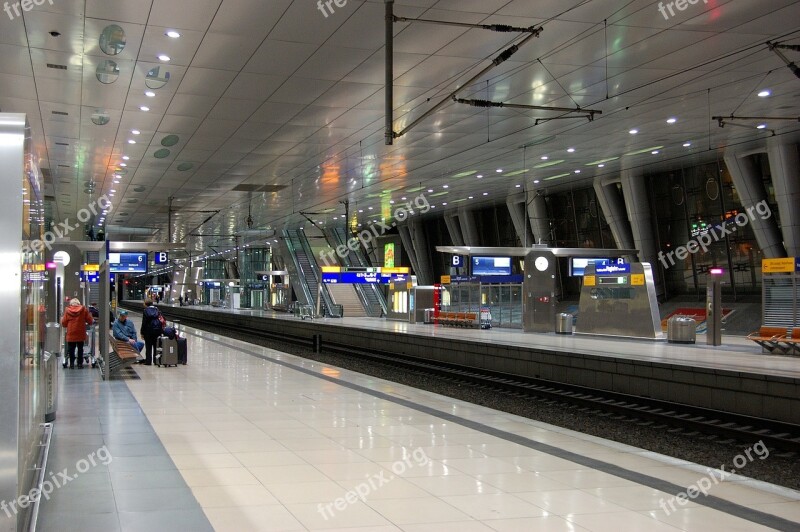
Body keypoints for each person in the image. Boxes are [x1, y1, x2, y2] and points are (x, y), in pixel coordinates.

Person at [61, 298, 93, 369]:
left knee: (71, 349)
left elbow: (63, 323)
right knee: (80, 348)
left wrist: (67, 324)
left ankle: (71, 364)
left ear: (71, 304)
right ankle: (80, 364)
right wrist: (89, 322)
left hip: (71, 332)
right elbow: (90, 320)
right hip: (80, 332)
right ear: (78, 303)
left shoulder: (67, 310)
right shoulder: (83, 309)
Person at [140, 301, 163, 365]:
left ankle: (148, 361)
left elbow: (144, 323)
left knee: (148, 347)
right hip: (157, 331)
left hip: (148, 332)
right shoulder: (157, 310)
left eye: (144, 303)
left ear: (146, 304)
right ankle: (156, 361)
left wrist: (142, 332)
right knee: (156, 347)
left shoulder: (145, 311)